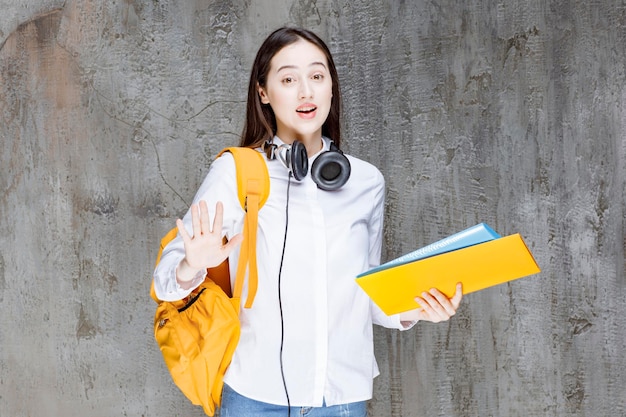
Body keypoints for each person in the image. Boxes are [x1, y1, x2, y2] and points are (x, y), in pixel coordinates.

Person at [153, 26, 463, 417]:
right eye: (288, 79)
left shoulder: (366, 182)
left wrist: (415, 309)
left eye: (317, 76)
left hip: (341, 398)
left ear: (331, 87)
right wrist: (192, 263)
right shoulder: (237, 172)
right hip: (255, 395)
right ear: (263, 92)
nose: (306, 92)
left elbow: (364, 295)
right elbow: (165, 284)